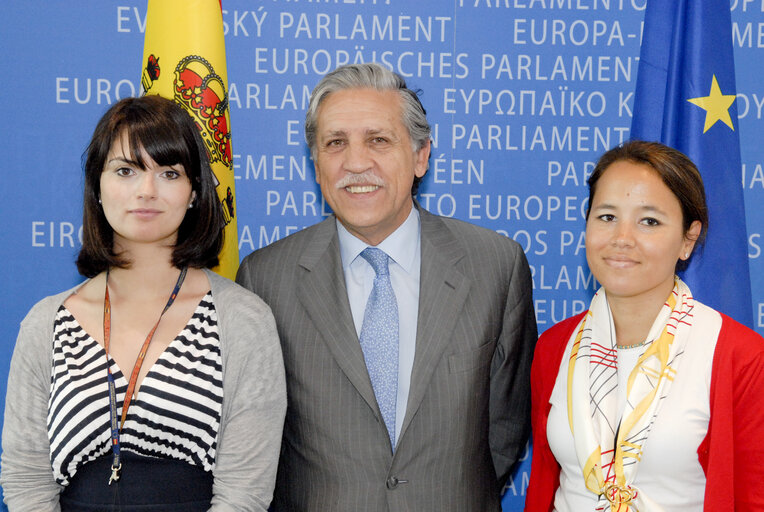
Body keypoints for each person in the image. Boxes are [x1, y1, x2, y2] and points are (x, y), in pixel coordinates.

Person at [236, 62, 537, 511]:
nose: (356, 163)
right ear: (316, 164)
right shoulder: (265, 277)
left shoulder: (496, 265)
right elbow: (257, 438)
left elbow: (505, 426)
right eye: (335, 143)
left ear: (421, 156)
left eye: (378, 140)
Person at [1, 95, 287, 511]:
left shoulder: (242, 320)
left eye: (169, 173)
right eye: (125, 171)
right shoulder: (47, 322)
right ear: (97, 187)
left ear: (194, 192)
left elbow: (246, 492)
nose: (147, 190)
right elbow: (26, 476)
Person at [525, 140, 764, 511]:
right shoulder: (555, 346)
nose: (622, 239)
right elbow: (545, 480)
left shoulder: (740, 356)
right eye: (607, 217)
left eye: (649, 221)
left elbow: (753, 497)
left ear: (689, 238)